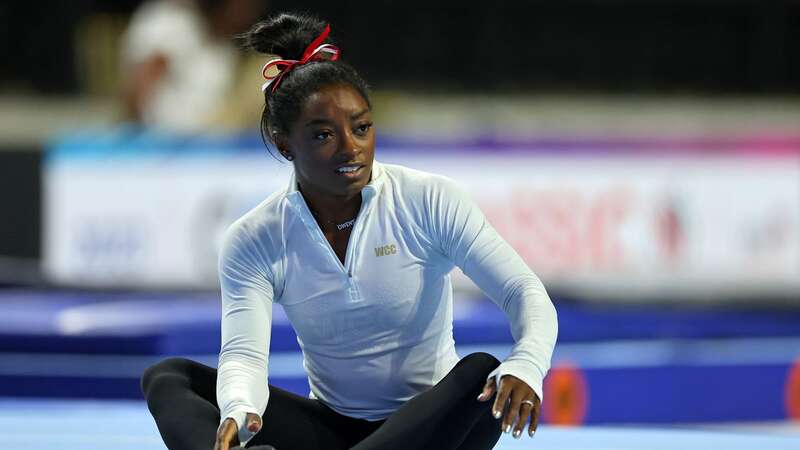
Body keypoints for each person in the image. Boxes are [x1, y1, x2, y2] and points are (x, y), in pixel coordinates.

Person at [141, 13, 558, 450]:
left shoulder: (427, 200)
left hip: (435, 429)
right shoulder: (256, 238)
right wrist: (239, 409)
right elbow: (244, 357)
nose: (351, 147)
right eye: (323, 135)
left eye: (361, 127)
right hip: (329, 429)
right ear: (286, 145)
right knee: (169, 377)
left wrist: (526, 365)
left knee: (480, 371)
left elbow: (524, 291)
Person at [120, 0, 265, 132]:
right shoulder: (172, 22)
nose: (247, 13)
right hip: (163, 140)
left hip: (210, 144)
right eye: (240, 5)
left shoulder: (227, 49)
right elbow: (137, 93)